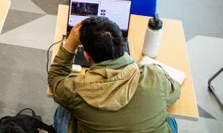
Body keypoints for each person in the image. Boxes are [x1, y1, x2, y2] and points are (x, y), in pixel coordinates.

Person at [48, 17, 181, 133]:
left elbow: (55, 79)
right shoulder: (154, 76)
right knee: (167, 114)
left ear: (87, 56)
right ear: (122, 45)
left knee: (63, 112)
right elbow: (175, 92)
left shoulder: (75, 90)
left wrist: (70, 44)